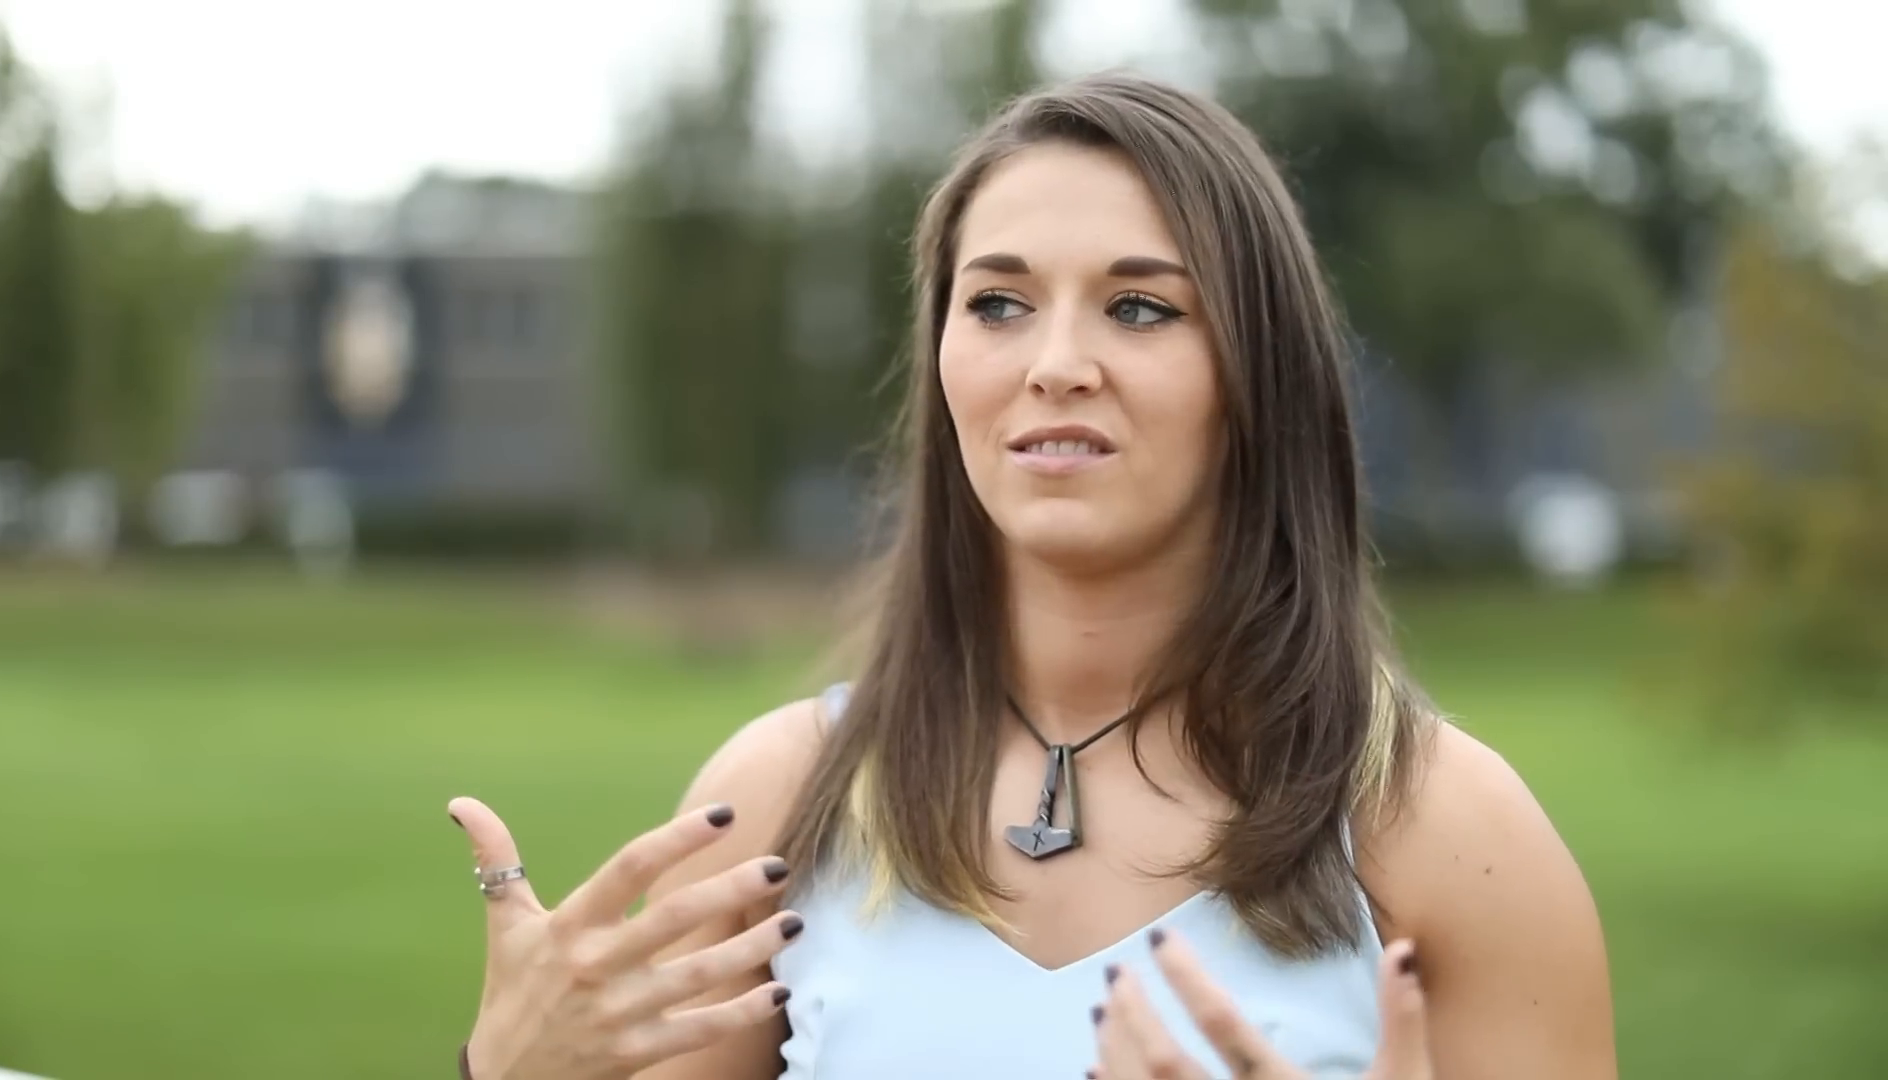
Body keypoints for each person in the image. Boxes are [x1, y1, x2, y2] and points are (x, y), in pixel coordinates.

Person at [446, 71, 1616, 1080]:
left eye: (1140, 307)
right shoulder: (776, 805)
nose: (1056, 364)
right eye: (998, 303)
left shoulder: (1445, 831)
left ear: (1259, 371)